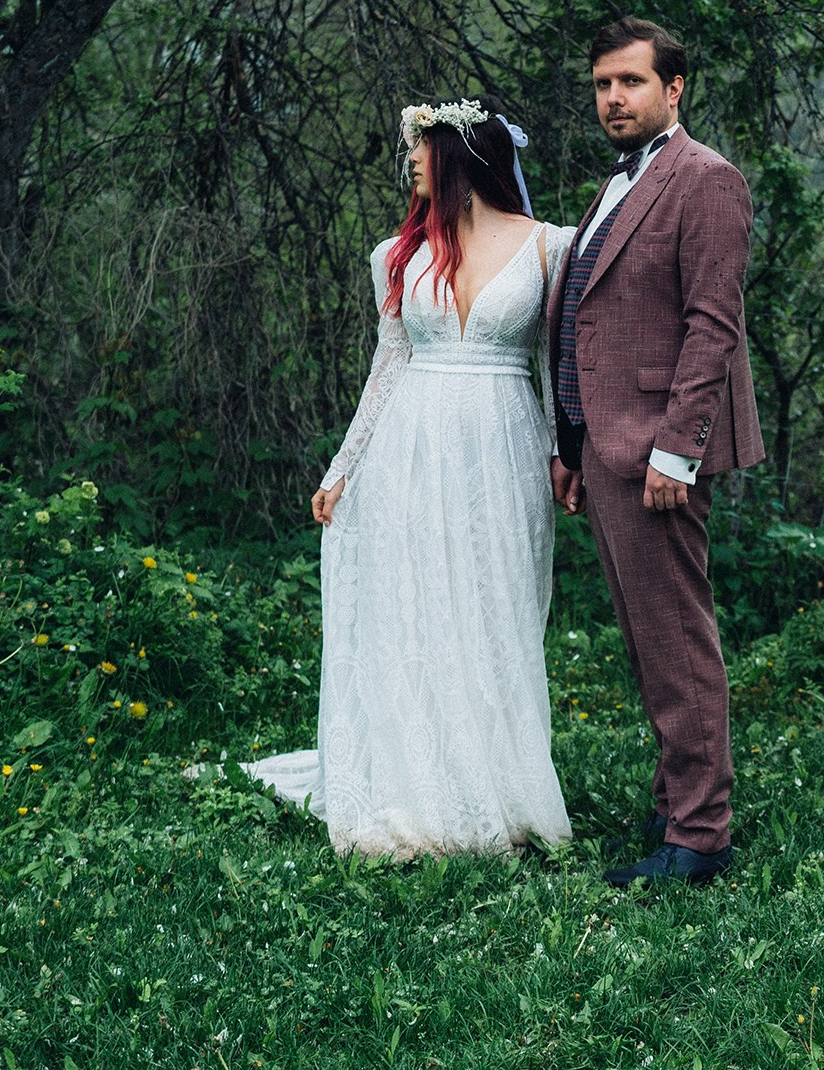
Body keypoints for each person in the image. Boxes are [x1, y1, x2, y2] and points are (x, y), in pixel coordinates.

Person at [243, 98, 576, 857]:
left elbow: (555, 364)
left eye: (423, 150)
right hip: (411, 447)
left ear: (462, 157)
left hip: (502, 444)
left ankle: (500, 779)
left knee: (494, 608)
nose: (412, 162)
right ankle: (416, 782)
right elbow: (387, 366)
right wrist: (343, 468)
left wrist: (567, 454)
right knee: (420, 606)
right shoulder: (397, 253)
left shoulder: (549, 246)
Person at [549, 16, 765, 887]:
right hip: (604, 450)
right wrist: (570, 445)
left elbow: (712, 325)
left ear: (674, 89)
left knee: (676, 640)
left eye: (631, 82)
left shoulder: (706, 180)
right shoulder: (618, 181)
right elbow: (587, 320)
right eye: (603, 84)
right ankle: (679, 798)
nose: (613, 99)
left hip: (657, 458)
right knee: (647, 642)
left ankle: (701, 836)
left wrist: (677, 452)